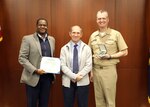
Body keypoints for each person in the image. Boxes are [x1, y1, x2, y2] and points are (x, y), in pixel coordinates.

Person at [88, 10, 128, 107]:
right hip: (96, 71)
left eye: (103, 18)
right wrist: (91, 72)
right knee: (99, 101)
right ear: (96, 20)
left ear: (108, 20)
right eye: (99, 18)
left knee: (110, 101)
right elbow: (89, 54)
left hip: (109, 71)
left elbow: (125, 51)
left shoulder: (116, 34)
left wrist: (110, 56)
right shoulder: (93, 35)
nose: (101, 20)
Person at [18, 18, 55, 107]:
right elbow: (22, 58)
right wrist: (35, 70)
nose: (43, 26)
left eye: (44, 25)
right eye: (40, 25)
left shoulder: (52, 39)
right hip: (33, 77)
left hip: (47, 78)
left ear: (47, 27)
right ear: (37, 26)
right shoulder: (27, 39)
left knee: (44, 104)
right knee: (31, 104)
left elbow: (51, 57)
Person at [60, 25, 92, 107]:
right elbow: (63, 65)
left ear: (81, 34)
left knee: (83, 104)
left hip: (83, 80)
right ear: (70, 34)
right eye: (74, 32)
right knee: (68, 104)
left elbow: (89, 65)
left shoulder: (87, 48)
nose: (76, 35)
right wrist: (74, 76)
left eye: (78, 33)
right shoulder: (64, 48)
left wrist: (79, 75)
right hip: (68, 81)